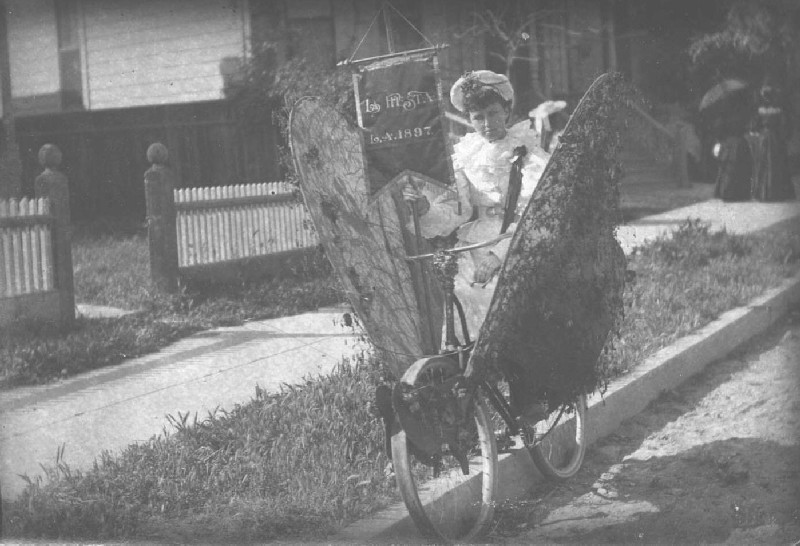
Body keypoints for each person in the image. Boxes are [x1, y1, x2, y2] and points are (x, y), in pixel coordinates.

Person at [403, 70, 550, 421]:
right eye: (477, 117)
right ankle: (466, 410)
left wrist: (499, 255)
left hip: (514, 241)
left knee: (505, 309)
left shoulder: (527, 155)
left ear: (508, 110)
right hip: (474, 243)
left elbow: (534, 215)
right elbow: (459, 209)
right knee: (456, 311)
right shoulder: (468, 156)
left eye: (493, 113)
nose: (486, 123)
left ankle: (525, 397)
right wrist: (425, 208)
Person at [751, 80, 796, 201]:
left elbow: (755, 126)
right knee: (775, 163)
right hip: (775, 138)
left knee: (764, 164)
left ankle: (763, 193)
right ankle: (775, 192)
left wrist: (757, 131)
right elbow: (785, 125)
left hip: (764, 138)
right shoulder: (778, 111)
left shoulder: (760, 111)